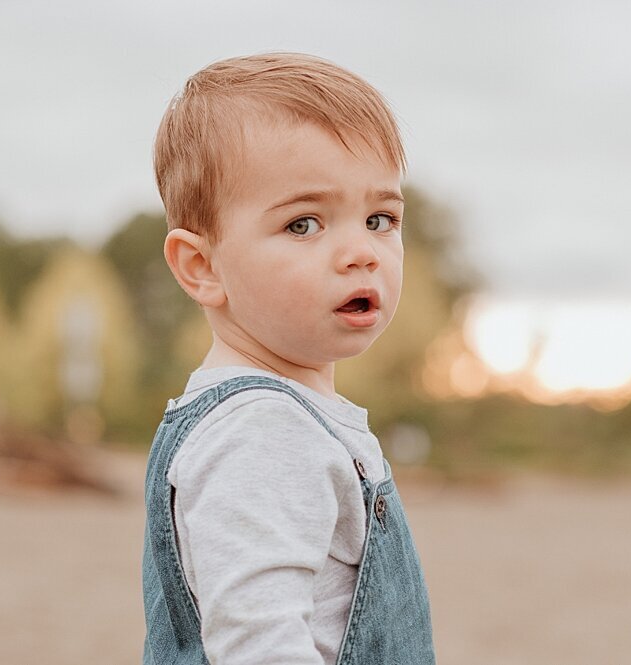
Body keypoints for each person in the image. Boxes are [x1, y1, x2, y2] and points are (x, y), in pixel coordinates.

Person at [141, 52, 436, 665]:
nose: (361, 252)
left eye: (380, 219)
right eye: (304, 225)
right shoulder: (262, 430)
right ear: (203, 267)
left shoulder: (282, 417)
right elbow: (258, 642)